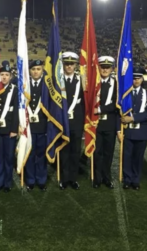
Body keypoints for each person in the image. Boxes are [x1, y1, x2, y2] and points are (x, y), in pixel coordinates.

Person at [117, 66, 147, 190]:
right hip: (128, 130)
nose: (136, 81)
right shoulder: (124, 94)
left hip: (141, 130)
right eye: (133, 78)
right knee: (127, 155)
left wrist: (133, 118)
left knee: (138, 157)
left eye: (138, 78)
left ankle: (136, 179)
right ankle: (127, 179)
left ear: (142, 79)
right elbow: (118, 112)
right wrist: (119, 129)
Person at [59, 52, 84, 190]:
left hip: (76, 121)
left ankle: (73, 179)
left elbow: (85, 103)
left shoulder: (82, 80)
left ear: (75, 65)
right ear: (63, 65)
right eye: (66, 63)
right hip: (62, 121)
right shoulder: (58, 80)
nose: (69, 66)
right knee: (64, 151)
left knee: (75, 151)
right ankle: (64, 178)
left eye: (71, 64)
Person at [0, 61, 19, 193]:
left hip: (9, 129)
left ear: (10, 76)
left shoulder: (15, 90)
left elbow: (16, 112)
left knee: (9, 157)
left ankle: (7, 183)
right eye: (2, 74)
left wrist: (14, 129)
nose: (4, 77)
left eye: (6, 75)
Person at [93, 56, 117, 189]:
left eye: (108, 67)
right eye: (103, 67)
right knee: (97, 152)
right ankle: (97, 178)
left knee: (108, 152)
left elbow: (117, 104)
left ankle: (106, 177)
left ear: (112, 68)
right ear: (99, 68)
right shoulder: (94, 83)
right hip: (95, 123)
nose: (105, 69)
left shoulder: (116, 84)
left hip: (109, 124)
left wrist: (101, 108)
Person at [25, 60, 48, 192]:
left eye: (38, 69)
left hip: (43, 126)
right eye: (33, 69)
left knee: (41, 155)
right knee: (30, 154)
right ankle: (30, 180)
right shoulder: (25, 85)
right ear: (30, 71)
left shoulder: (47, 86)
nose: (35, 72)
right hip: (28, 126)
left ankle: (41, 180)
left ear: (42, 70)